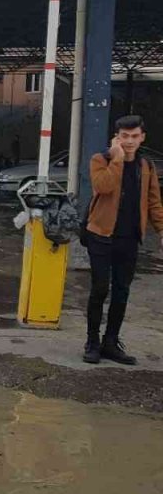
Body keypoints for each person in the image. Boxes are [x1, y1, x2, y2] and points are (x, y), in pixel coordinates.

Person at [83, 115, 163, 365]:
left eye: (134, 136)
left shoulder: (146, 166)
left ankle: (110, 342)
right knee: (99, 289)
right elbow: (103, 186)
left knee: (121, 291)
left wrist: (161, 231)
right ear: (116, 138)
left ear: (142, 138)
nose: (129, 141)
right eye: (124, 136)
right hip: (101, 235)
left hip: (129, 238)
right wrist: (117, 158)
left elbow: (154, 203)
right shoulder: (101, 160)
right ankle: (92, 342)